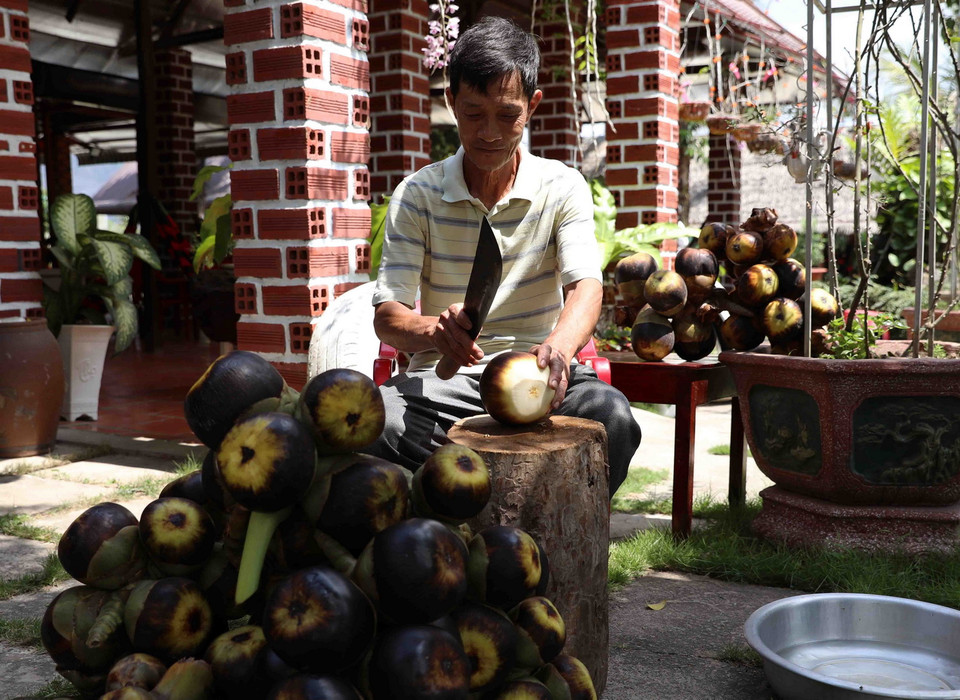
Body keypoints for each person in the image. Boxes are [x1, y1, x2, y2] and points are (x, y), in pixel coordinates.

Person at [364, 16, 641, 498]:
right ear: (449, 101)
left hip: (545, 379)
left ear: (532, 106)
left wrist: (557, 349)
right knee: (379, 424)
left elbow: (585, 287)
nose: (489, 132)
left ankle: (551, 534)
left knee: (611, 416)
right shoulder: (417, 195)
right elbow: (389, 317)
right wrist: (434, 332)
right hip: (446, 387)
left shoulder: (563, 186)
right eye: (473, 113)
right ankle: (468, 525)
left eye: (507, 114)